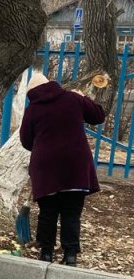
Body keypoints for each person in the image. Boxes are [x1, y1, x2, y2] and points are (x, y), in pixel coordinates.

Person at [19, 72, 106, 266]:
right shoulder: (73, 98)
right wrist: (84, 97)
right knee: (71, 212)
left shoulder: (32, 109)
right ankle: (70, 255)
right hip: (75, 165)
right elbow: (98, 116)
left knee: (47, 212)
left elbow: (26, 141)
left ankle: (46, 253)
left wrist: (43, 144)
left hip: (46, 167)